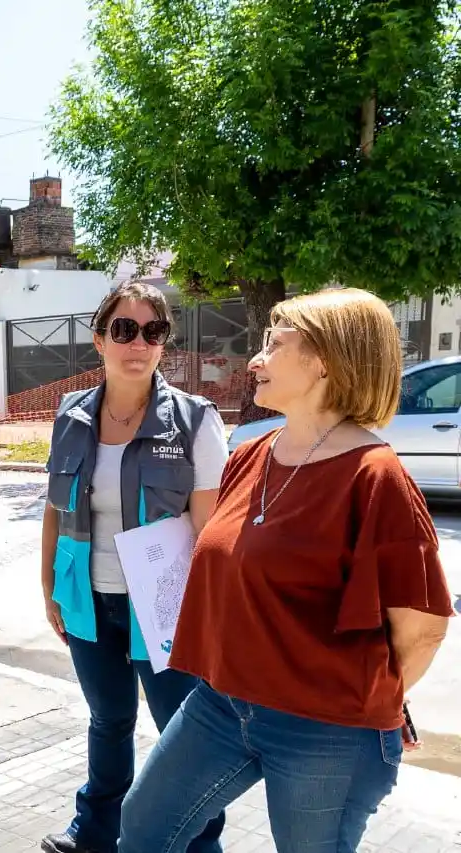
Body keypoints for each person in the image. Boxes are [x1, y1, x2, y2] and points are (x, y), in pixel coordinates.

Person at [118, 288, 453, 853]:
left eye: (275, 345)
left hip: (324, 727)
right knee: (144, 827)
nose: (255, 360)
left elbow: (421, 630)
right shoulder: (252, 455)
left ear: (325, 361)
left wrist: (374, 700)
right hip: (221, 703)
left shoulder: (376, 477)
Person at [39, 281, 229, 853]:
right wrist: (49, 585)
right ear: (99, 339)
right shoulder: (71, 415)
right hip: (88, 598)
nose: (138, 343)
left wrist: (210, 615)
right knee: (108, 719)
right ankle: (96, 829)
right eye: (124, 329)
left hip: (167, 607)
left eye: (153, 331)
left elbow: (211, 531)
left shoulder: (194, 421)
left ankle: (199, 843)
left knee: (185, 733)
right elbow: (54, 509)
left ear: (164, 343)